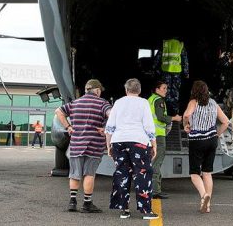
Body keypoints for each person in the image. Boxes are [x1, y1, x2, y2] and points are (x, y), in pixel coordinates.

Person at [105, 78, 159, 220]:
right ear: (139, 91)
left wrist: (108, 145)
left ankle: (124, 209)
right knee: (142, 173)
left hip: (119, 141)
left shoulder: (118, 102)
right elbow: (148, 125)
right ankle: (146, 211)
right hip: (139, 142)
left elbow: (110, 127)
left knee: (122, 174)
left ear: (126, 90)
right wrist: (154, 143)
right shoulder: (143, 103)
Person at [55, 79, 112, 213]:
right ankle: (87, 203)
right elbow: (112, 114)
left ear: (86, 90)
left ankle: (72, 202)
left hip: (76, 144)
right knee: (89, 174)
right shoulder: (102, 103)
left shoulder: (76, 103)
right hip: (94, 144)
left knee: (74, 174)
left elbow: (58, 111)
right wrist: (106, 128)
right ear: (97, 90)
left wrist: (68, 126)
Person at [183, 80, 229, 214]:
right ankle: (207, 205)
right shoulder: (213, 103)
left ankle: (204, 195)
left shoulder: (194, 102)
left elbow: (186, 115)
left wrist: (186, 124)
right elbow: (225, 122)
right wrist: (217, 134)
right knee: (207, 172)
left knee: (194, 173)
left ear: (194, 91)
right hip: (211, 140)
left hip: (197, 141)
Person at [148, 80, 182, 199]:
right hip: (158, 136)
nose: (166, 91)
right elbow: (160, 116)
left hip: (151, 135)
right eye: (164, 88)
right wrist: (175, 118)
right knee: (156, 162)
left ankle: (153, 189)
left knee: (153, 161)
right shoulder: (158, 101)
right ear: (157, 89)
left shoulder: (150, 99)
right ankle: (155, 191)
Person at [154, 38, 188, 116]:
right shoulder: (180, 45)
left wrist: (154, 69)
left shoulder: (165, 44)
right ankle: (175, 113)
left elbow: (157, 58)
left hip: (165, 72)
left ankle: (165, 111)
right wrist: (186, 73)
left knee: (165, 91)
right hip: (177, 73)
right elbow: (185, 60)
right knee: (175, 93)